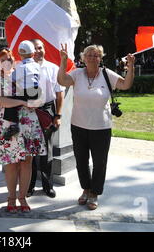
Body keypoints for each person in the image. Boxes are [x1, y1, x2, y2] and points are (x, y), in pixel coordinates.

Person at [57, 44, 135, 210]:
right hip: (78, 126)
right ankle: (86, 189)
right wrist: (63, 61)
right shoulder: (77, 74)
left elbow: (126, 85)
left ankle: (95, 193)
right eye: (89, 55)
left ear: (101, 58)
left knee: (100, 162)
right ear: (83, 58)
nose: (92, 58)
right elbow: (62, 80)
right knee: (81, 161)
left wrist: (131, 67)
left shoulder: (107, 74)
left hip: (101, 127)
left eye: (96, 55)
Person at [0, 47, 46, 213]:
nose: (6, 62)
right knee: (11, 162)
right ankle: (11, 198)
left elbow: (39, 97)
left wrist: (34, 100)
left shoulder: (25, 75)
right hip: (9, 123)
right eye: (2, 59)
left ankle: (22, 197)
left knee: (26, 161)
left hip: (28, 123)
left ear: (14, 60)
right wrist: (21, 102)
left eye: (8, 58)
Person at [27, 39, 64, 198]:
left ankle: (47, 185)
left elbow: (59, 93)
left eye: (40, 47)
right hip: (29, 110)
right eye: (34, 49)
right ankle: (29, 185)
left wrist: (58, 115)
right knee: (30, 150)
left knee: (46, 150)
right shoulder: (24, 69)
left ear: (44, 49)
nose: (38, 51)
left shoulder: (53, 68)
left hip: (48, 110)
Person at [2, 40, 41, 140]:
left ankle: (13, 124)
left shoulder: (21, 66)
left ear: (19, 54)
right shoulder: (37, 65)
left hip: (26, 92)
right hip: (37, 91)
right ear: (33, 53)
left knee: (10, 101)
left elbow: (11, 78)